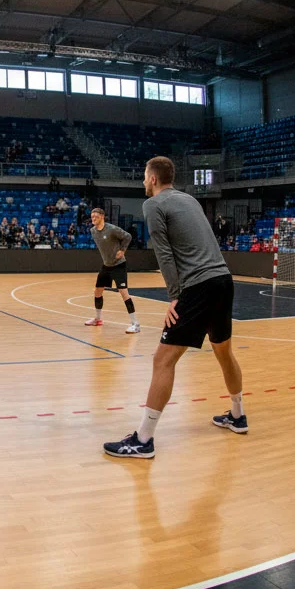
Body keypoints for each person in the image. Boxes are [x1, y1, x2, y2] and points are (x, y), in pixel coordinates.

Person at [104, 157, 246, 460]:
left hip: (199, 287)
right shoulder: (189, 200)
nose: (143, 181)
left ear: (153, 179)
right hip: (223, 280)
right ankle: (237, 415)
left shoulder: (153, 205)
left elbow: (163, 253)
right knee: (224, 352)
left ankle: (143, 440)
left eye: (144, 176)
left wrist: (175, 296)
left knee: (162, 360)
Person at [86, 208, 141, 334]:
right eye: (92, 216)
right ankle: (98, 319)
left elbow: (128, 236)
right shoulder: (93, 231)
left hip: (119, 265)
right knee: (97, 291)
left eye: (96, 216)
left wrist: (122, 250)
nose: (93, 219)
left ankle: (135, 324)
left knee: (123, 293)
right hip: (106, 266)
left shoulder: (111, 229)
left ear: (102, 217)